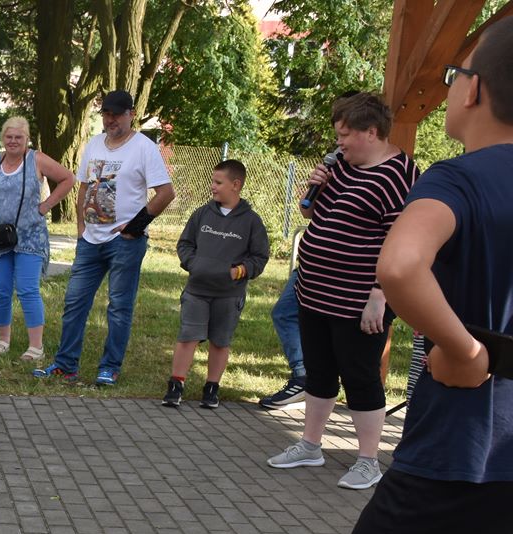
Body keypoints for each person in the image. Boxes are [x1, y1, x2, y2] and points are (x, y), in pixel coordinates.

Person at [289, 20, 513, 534]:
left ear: (474, 88)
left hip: (461, 454)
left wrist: (462, 349)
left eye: (455, 73)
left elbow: (398, 265)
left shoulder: (458, 177)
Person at [265, 92, 418, 490]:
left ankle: (368, 461)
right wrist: (314, 189)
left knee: (360, 375)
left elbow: (399, 240)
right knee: (319, 371)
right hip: (315, 289)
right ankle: (310, 445)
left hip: (359, 299)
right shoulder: (342, 167)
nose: (340, 143)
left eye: (345, 135)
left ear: (372, 132)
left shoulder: (398, 175)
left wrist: (379, 294)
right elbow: (313, 214)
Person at [35, 90, 174, 386]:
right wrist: (81, 228)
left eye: (116, 114)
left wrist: (136, 226)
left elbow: (166, 193)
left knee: (119, 307)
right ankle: (66, 365)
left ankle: (109, 367)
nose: (110, 120)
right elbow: (84, 187)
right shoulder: (95, 144)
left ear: (131, 114)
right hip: (90, 241)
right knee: (74, 302)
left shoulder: (144, 148)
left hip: (125, 243)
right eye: (106, 114)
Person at [0, 116, 75, 362]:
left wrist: (46, 205)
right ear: (3, 138)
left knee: (27, 288)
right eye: (9, 136)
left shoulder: (37, 159)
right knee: (0, 290)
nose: (13, 141)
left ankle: (36, 346)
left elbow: (68, 178)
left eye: (18, 137)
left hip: (30, 237)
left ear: (27, 139)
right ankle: (3, 339)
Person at [162, 159, 270, 409]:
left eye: (218, 182)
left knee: (220, 341)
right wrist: (194, 264)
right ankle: (176, 384)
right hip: (196, 290)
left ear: (236, 185)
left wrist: (238, 272)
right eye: (213, 181)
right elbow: (185, 244)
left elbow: (259, 257)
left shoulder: (251, 221)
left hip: (229, 294)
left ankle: (212, 388)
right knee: (188, 337)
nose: (212, 186)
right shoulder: (201, 214)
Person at [259, 268, 308, 409]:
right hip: (309, 267)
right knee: (286, 314)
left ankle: (303, 379)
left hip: (326, 269)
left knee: (285, 314)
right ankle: (307, 380)